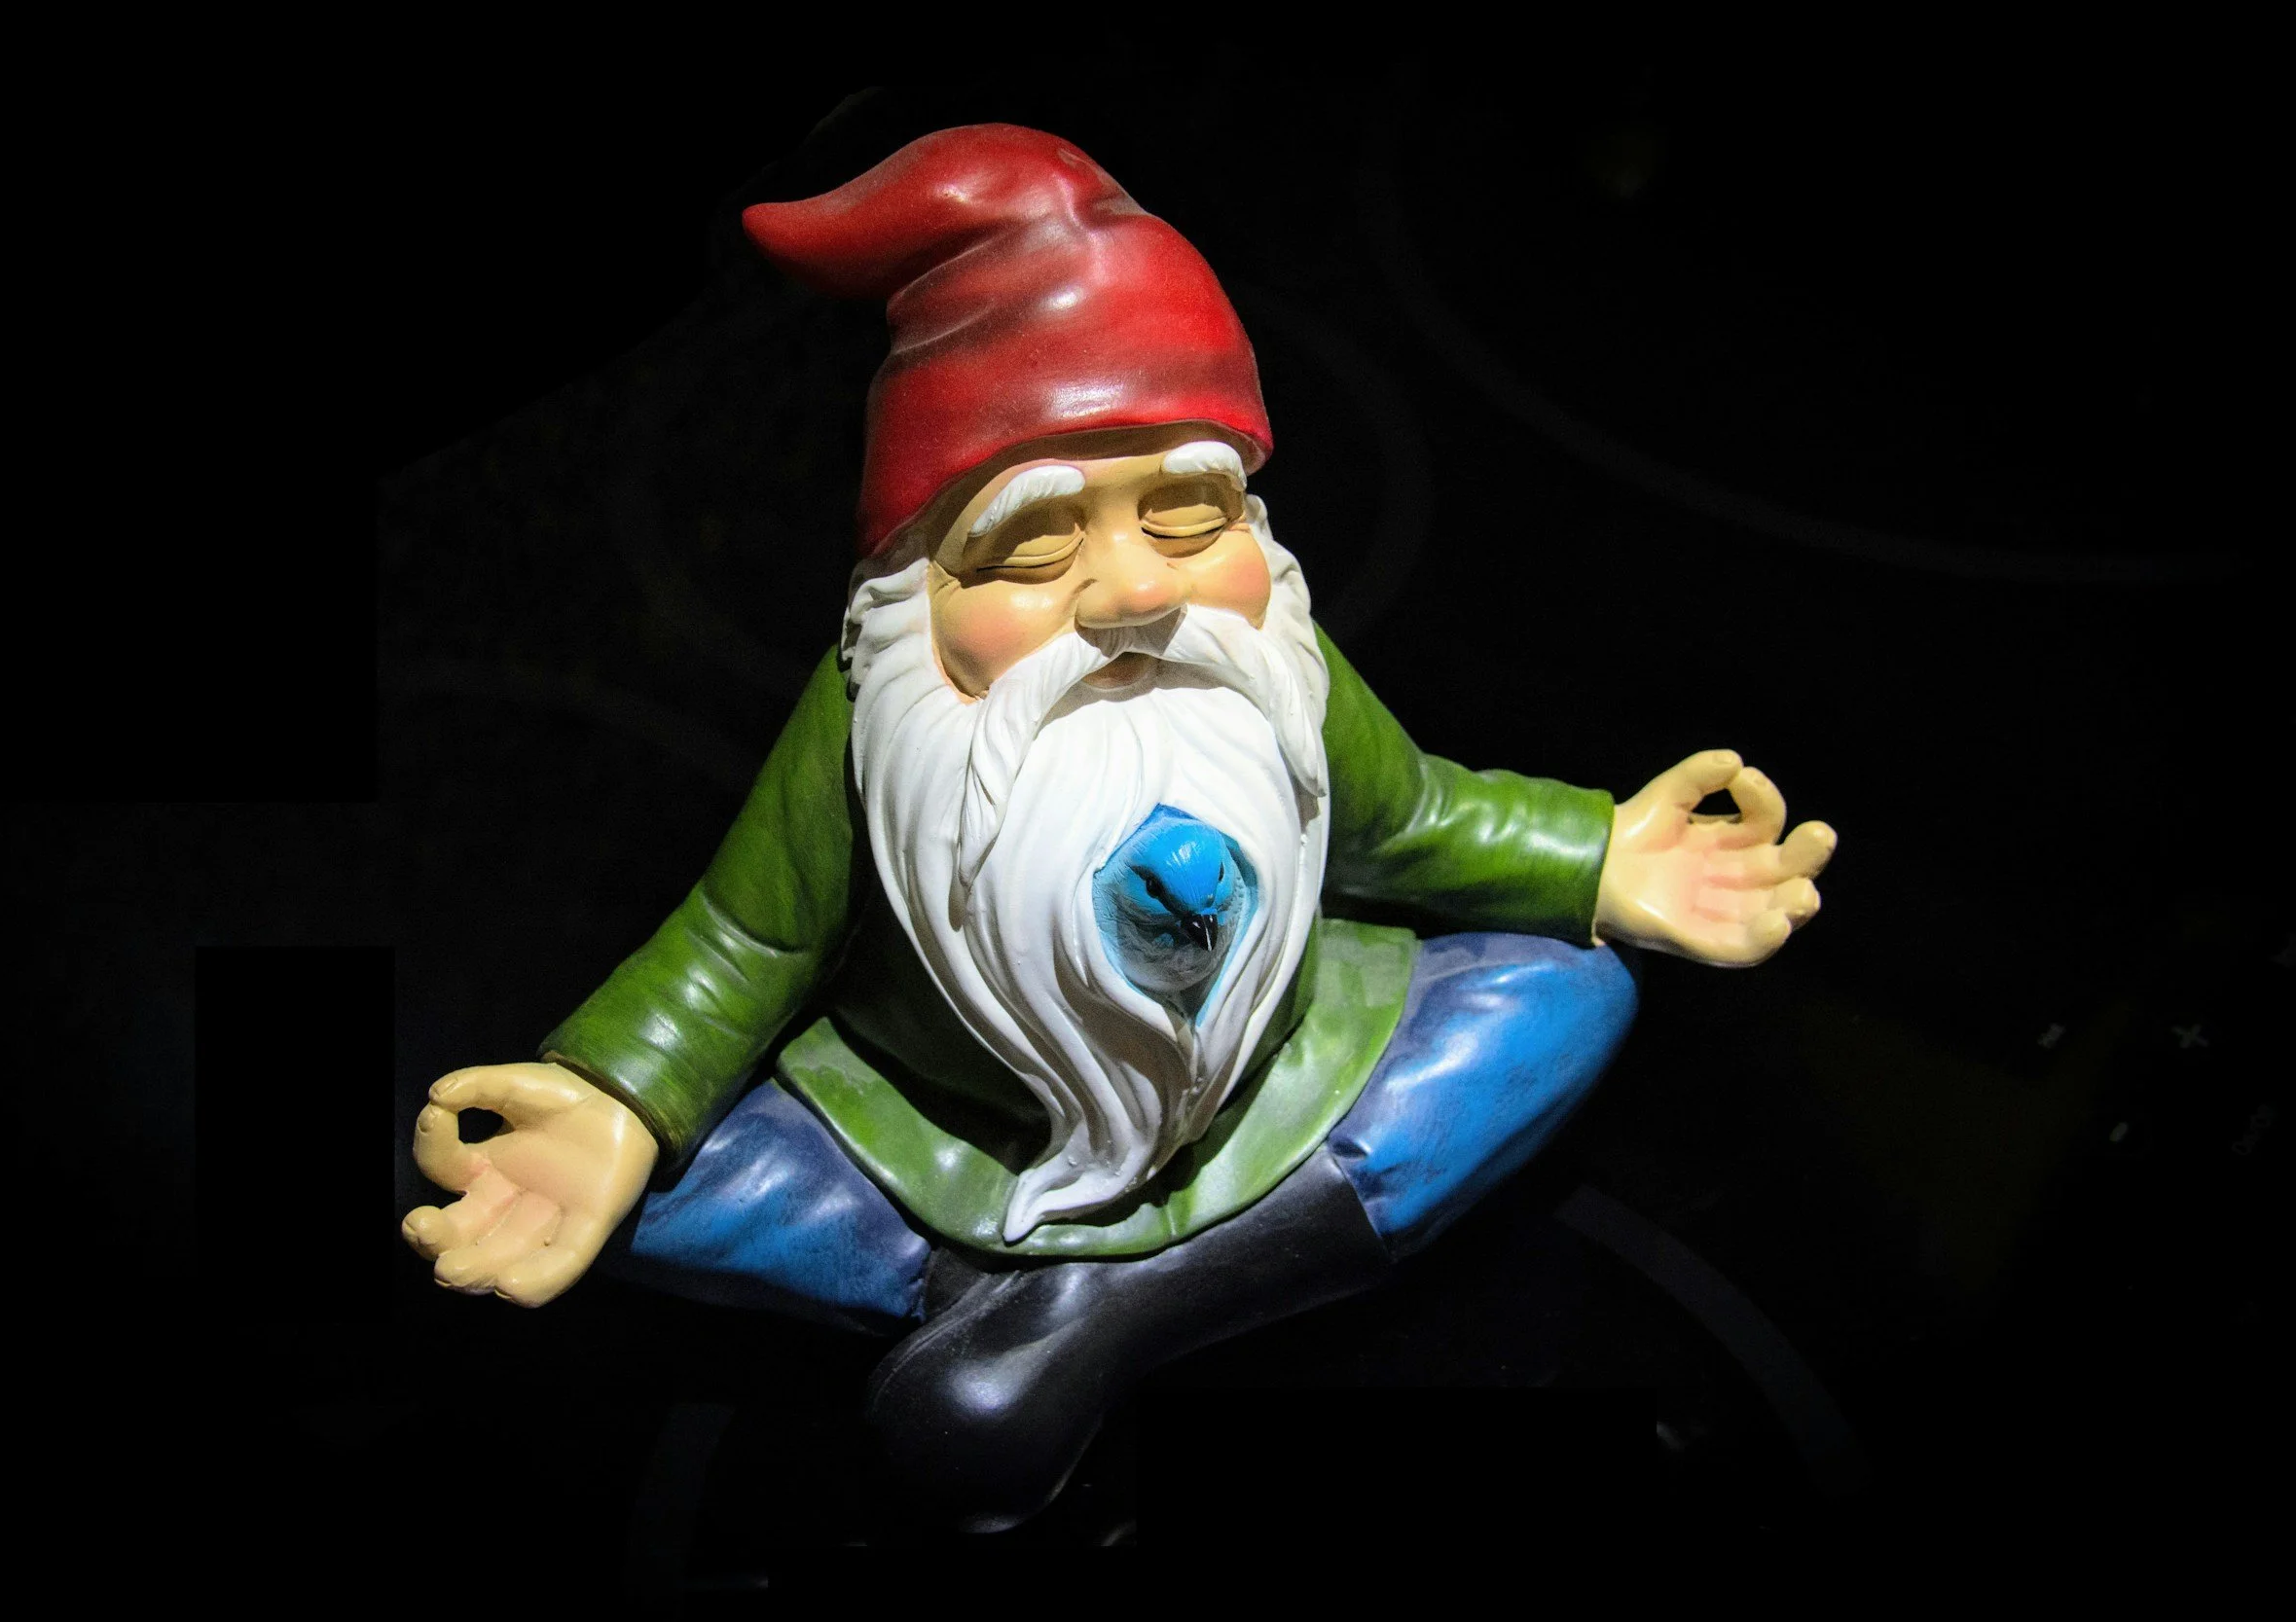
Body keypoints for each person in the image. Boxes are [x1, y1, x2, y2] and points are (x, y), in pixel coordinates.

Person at [401, 124, 1835, 1530]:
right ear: (916, 577)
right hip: (959, 1142)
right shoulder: (870, 723)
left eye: (1187, 513)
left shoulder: (1270, 659)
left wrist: (1597, 852)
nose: (1135, 592)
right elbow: (744, 943)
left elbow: (1412, 819)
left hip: (1275, 1086)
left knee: (1570, 992)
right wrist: (619, 1095)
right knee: (648, 1188)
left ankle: (1086, 1316)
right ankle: (1059, 1281)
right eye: (1036, 542)